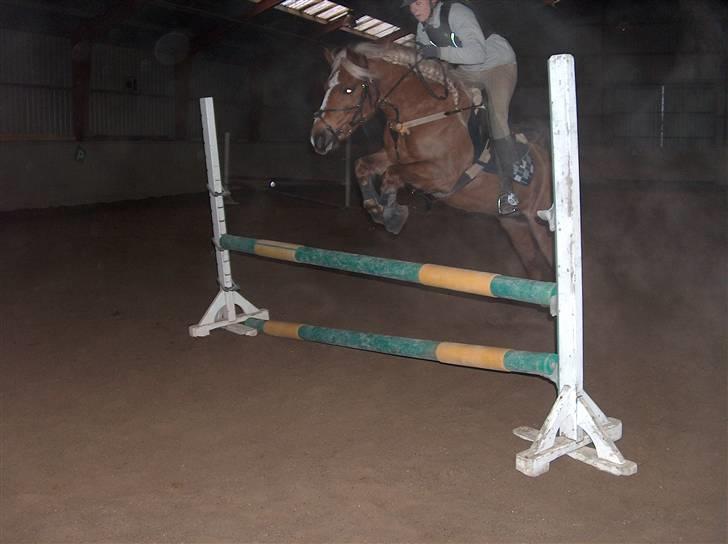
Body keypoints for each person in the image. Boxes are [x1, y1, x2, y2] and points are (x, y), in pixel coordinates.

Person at [401, 0, 520, 215]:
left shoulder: (456, 12)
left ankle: (508, 190)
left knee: (497, 118)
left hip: (497, 65)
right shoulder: (422, 29)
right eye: (410, 5)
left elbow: (477, 55)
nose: (414, 9)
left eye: (417, 2)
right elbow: (427, 65)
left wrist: (437, 53)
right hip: (466, 72)